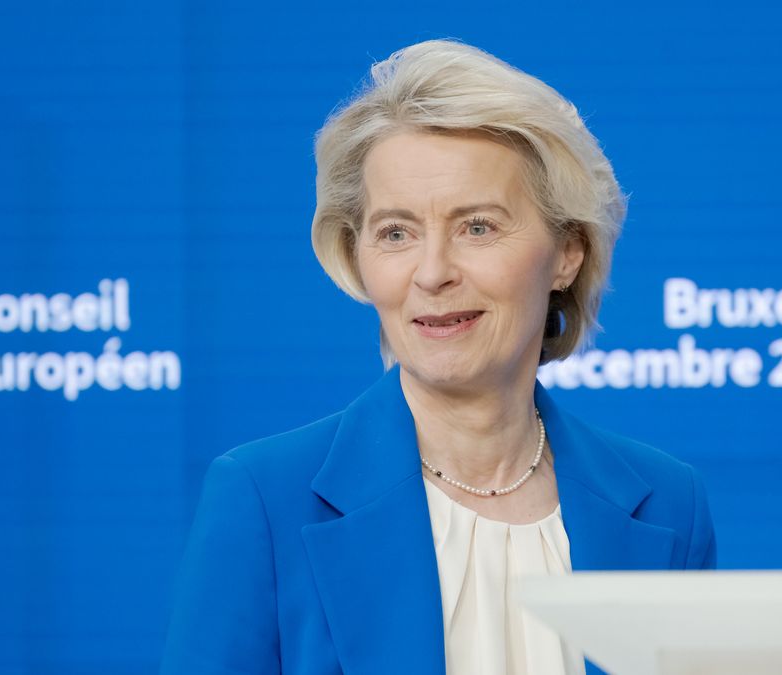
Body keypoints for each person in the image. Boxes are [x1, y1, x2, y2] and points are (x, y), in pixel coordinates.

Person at [161, 39, 716, 675]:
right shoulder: (263, 498)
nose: (432, 273)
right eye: (396, 233)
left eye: (476, 226)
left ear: (567, 252)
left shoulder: (670, 505)